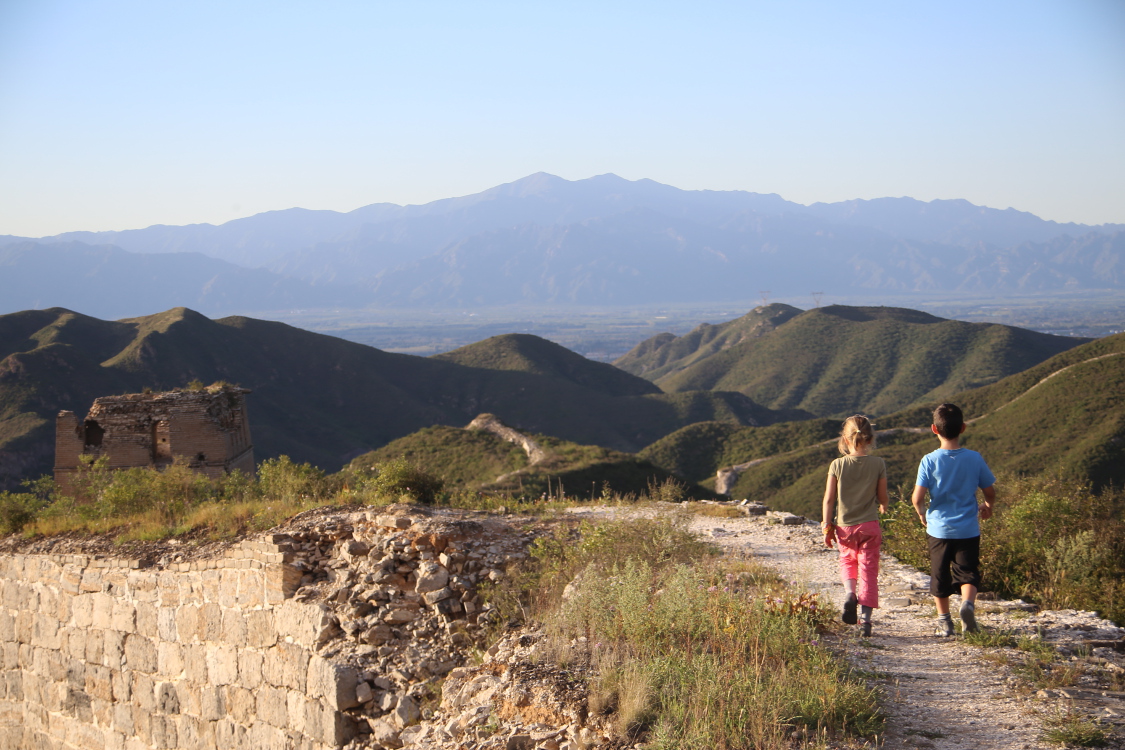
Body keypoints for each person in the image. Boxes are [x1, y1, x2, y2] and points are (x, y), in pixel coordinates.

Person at [911, 403, 996, 636]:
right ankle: (967, 605)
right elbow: (990, 492)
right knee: (968, 572)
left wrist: (922, 513)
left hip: (938, 529)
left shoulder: (929, 460)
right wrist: (987, 506)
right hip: (968, 528)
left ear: (933, 429)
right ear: (963, 428)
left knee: (939, 575)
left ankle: (945, 622)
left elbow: (917, 498)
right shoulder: (974, 458)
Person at [822, 414, 889, 637]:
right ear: (870, 439)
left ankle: (850, 594)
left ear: (845, 439)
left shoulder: (837, 465)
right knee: (868, 569)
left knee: (847, 561)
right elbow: (882, 496)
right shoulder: (878, 463)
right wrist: (883, 506)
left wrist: (826, 525)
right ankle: (866, 620)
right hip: (869, 525)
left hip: (845, 526)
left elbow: (829, 499)